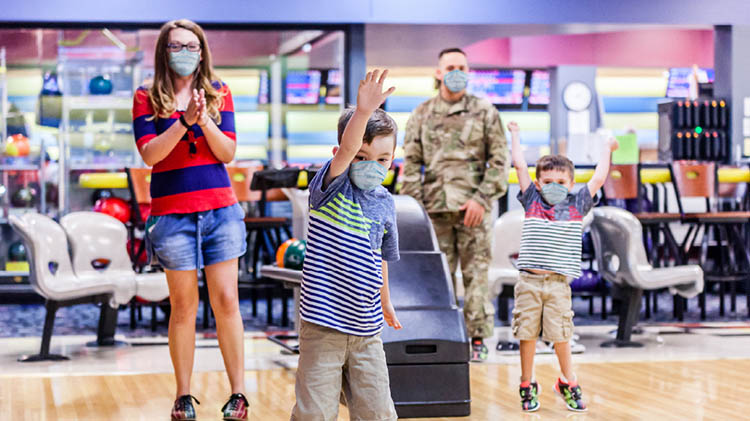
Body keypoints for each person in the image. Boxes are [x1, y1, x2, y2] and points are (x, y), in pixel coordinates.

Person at [132, 19, 249, 421]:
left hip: (221, 211)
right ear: (164, 51)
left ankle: (238, 396)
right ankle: (183, 396)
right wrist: (183, 123)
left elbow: (228, 152)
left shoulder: (220, 93)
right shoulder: (146, 97)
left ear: (203, 52)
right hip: (171, 215)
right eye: (176, 46)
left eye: (192, 46)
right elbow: (150, 156)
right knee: (183, 307)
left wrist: (203, 120)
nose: (184, 53)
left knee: (227, 302)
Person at [291, 70, 402, 421]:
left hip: (367, 329)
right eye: (361, 156)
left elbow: (382, 257)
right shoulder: (330, 187)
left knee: (377, 412)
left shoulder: (385, 201)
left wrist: (385, 302)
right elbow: (350, 145)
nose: (372, 166)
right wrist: (364, 112)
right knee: (315, 413)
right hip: (324, 326)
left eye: (383, 159)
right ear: (340, 153)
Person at [401, 48, 509, 362]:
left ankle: (476, 340)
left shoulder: (485, 111)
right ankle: (441, 335)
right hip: (433, 211)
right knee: (435, 278)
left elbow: (499, 162)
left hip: (475, 209)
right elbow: (411, 165)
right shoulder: (421, 113)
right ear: (438, 72)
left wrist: (481, 199)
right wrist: (415, 210)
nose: (456, 71)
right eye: (450, 66)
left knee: (477, 276)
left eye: (462, 66)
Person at [507, 121, 618, 412]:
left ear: (570, 184)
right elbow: (519, 165)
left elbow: (599, 176)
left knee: (562, 335)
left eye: (561, 182)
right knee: (526, 334)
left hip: (558, 284)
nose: (553, 187)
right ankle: (526, 383)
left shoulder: (577, 205)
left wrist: (607, 149)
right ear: (538, 182)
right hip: (529, 283)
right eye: (547, 182)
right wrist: (515, 135)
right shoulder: (532, 201)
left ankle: (568, 381)